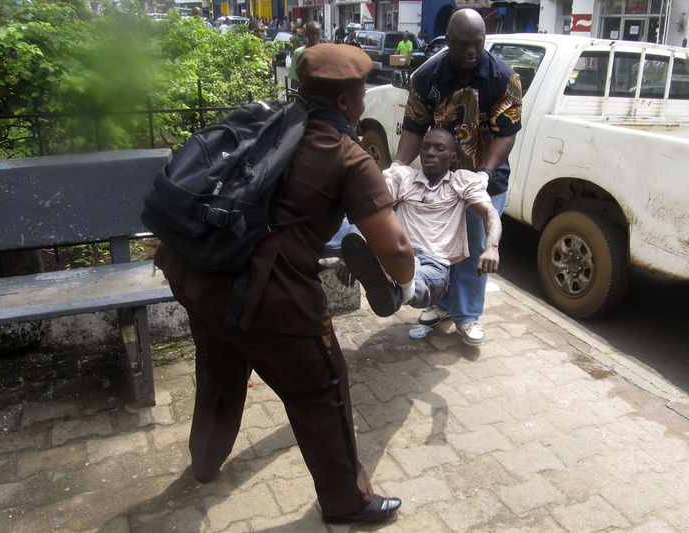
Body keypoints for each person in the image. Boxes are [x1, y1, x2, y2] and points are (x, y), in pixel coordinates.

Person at [154, 43, 413, 524]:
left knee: (218, 366)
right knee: (322, 388)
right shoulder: (346, 156)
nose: (363, 101)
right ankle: (347, 502)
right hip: (267, 296)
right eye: (360, 92)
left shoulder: (266, 119)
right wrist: (407, 283)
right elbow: (395, 250)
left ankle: (206, 462)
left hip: (196, 271)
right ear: (343, 102)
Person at [392, 8, 522, 346]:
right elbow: (415, 128)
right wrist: (399, 167)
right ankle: (443, 304)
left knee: (476, 246)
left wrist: (484, 174)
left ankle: (467, 315)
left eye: (477, 44)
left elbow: (506, 134)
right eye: (463, 44)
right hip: (441, 180)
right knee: (441, 245)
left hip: (483, 179)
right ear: (447, 41)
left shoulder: (503, 78)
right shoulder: (426, 77)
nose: (471, 52)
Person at [337, 128, 501, 317]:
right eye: (425, 147)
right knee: (351, 234)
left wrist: (492, 247)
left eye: (439, 148)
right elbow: (372, 212)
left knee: (422, 281)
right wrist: (353, 252)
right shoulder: (403, 177)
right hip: (399, 253)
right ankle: (392, 284)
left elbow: (490, 213)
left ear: (454, 157)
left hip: (434, 264)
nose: (430, 152)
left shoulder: (462, 181)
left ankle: (396, 288)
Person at [288, 21, 322, 90]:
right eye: (311, 33)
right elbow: (294, 78)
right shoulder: (299, 52)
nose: (314, 36)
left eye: (317, 33)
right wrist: (292, 98)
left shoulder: (326, 52)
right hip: (305, 95)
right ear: (306, 34)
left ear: (320, 34)